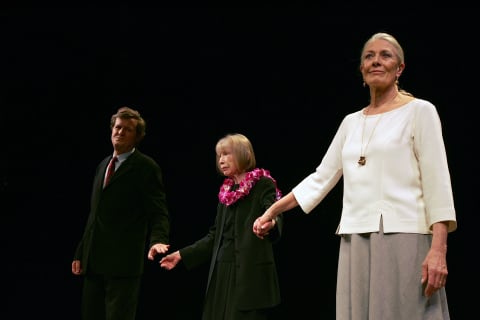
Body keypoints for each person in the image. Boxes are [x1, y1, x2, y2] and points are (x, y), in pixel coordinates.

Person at [253, 32, 457, 320]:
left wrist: (438, 250)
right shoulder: (351, 122)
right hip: (356, 238)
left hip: (405, 235)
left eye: (385, 55)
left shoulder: (420, 112)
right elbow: (321, 178)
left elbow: (438, 183)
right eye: (369, 56)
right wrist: (271, 210)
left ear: (400, 68)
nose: (376, 61)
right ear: (361, 69)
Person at [159, 133, 283, 320]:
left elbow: (274, 211)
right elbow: (214, 236)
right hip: (222, 271)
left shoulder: (262, 184)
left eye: (226, 154)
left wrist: (271, 223)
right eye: (219, 156)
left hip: (249, 274)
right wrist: (181, 255)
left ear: (243, 154)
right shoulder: (226, 192)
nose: (221, 160)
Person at [71, 106, 170, 320]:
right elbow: (94, 214)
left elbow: (158, 211)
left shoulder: (146, 167)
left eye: (127, 129)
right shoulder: (103, 165)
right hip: (94, 260)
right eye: (117, 127)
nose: (120, 132)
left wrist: (158, 239)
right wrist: (81, 251)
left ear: (137, 136)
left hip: (123, 263)